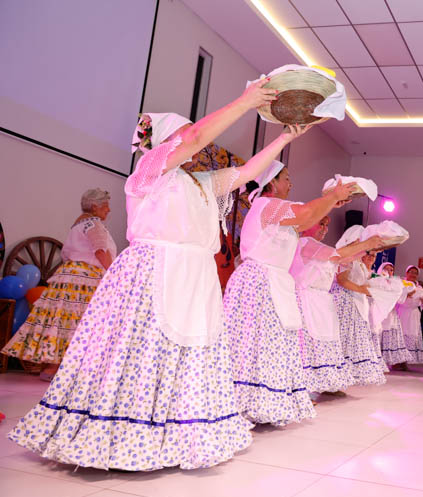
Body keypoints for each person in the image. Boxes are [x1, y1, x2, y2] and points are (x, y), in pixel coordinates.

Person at [10, 81, 292, 470]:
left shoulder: (202, 183)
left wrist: (285, 137)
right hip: (154, 271)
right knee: (141, 352)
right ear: (160, 141)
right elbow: (194, 139)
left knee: (189, 353)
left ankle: (180, 431)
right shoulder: (148, 172)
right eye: (178, 136)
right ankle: (126, 432)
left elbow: (247, 172)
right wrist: (245, 102)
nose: (190, 142)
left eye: (186, 136)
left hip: (196, 276)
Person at [225, 160, 358, 425]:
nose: (290, 183)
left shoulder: (277, 211)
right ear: (271, 183)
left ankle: (263, 403)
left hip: (272, 281)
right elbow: (307, 214)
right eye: (286, 178)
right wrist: (331, 197)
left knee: (270, 345)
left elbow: (308, 217)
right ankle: (239, 406)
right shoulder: (266, 204)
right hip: (259, 281)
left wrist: (331, 201)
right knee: (253, 344)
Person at [2, 189, 116, 381]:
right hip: (86, 279)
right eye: (106, 206)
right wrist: (116, 273)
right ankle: (75, 371)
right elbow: (101, 252)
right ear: (95, 206)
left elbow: (66, 253)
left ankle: (52, 368)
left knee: (62, 322)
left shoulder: (77, 225)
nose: (109, 210)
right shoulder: (93, 224)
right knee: (84, 323)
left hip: (68, 276)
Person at [291, 216, 384, 395]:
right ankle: (302, 390)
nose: (324, 229)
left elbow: (343, 259)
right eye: (321, 223)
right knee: (307, 347)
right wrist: (364, 245)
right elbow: (338, 256)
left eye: (327, 225)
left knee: (324, 345)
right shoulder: (304, 243)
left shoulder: (321, 249)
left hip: (322, 301)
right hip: (306, 299)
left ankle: (326, 385)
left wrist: (367, 248)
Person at [332, 227, 387, 386]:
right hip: (344, 301)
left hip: (356, 302)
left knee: (350, 342)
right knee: (342, 340)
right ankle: (335, 380)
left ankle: (341, 380)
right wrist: (364, 290)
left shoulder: (359, 261)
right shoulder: (347, 258)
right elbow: (342, 281)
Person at [375, 263, 414, 371]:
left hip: (391, 313)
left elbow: (401, 297)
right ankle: (378, 362)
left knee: (392, 337)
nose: (389, 271)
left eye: (391, 270)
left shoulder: (395, 283)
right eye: (386, 269)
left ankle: (395, 362)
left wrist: (407, 291)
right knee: (379, 336)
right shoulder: (377, 280)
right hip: (379, 312)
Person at [396, 266, 423, 366]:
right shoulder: (400, 284)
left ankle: (405, 361)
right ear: (407, 273)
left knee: (411, 335)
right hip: (402, 312)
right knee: (400, 335)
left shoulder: (419, 288)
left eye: (415, 273)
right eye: (411, 272)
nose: (413, 274)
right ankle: (397, 361)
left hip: (413, 314)